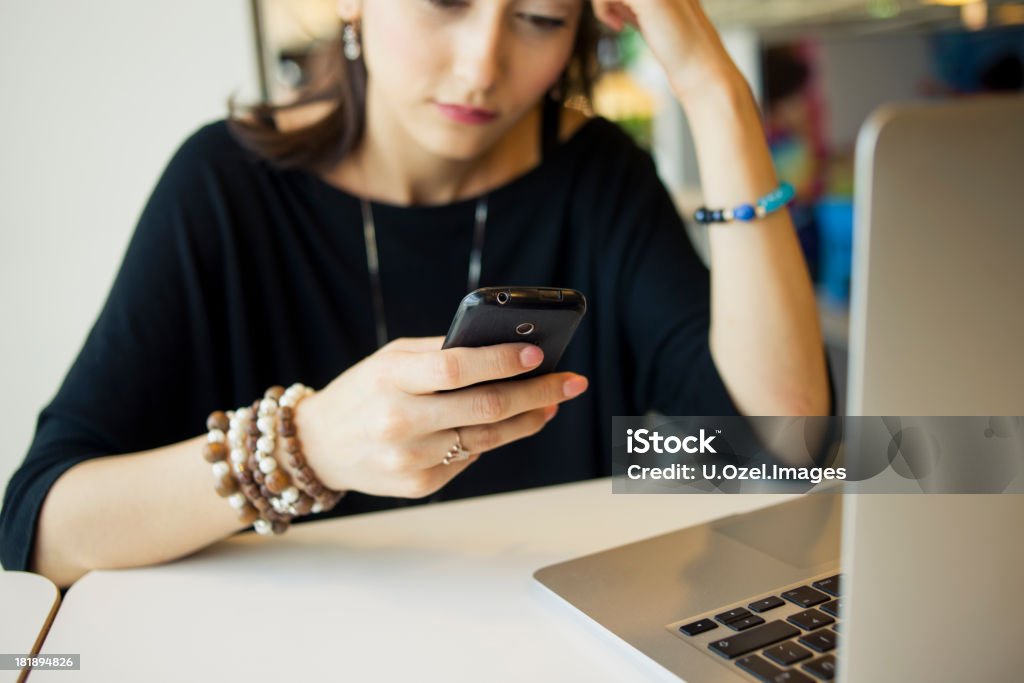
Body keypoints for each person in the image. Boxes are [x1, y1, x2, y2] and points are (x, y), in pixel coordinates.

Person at [0, 0, 831, 588]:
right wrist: (305, 445)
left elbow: (780, 444)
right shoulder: (224, 187)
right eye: (444, 1)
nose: (482, 66)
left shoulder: (598, 176)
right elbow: (39, 530)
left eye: (540, 18)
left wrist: (714, 92)